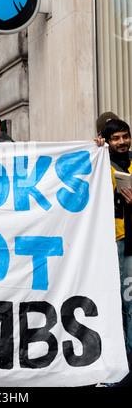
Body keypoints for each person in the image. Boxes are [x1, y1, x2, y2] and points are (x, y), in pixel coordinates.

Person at [100, 118, 132, 354]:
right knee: (114, 302)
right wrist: (94, 149)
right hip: (110, 241)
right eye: (116, 138)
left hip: (129, 242)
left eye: (125, 136)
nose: (122, 142)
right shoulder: (100, 163)